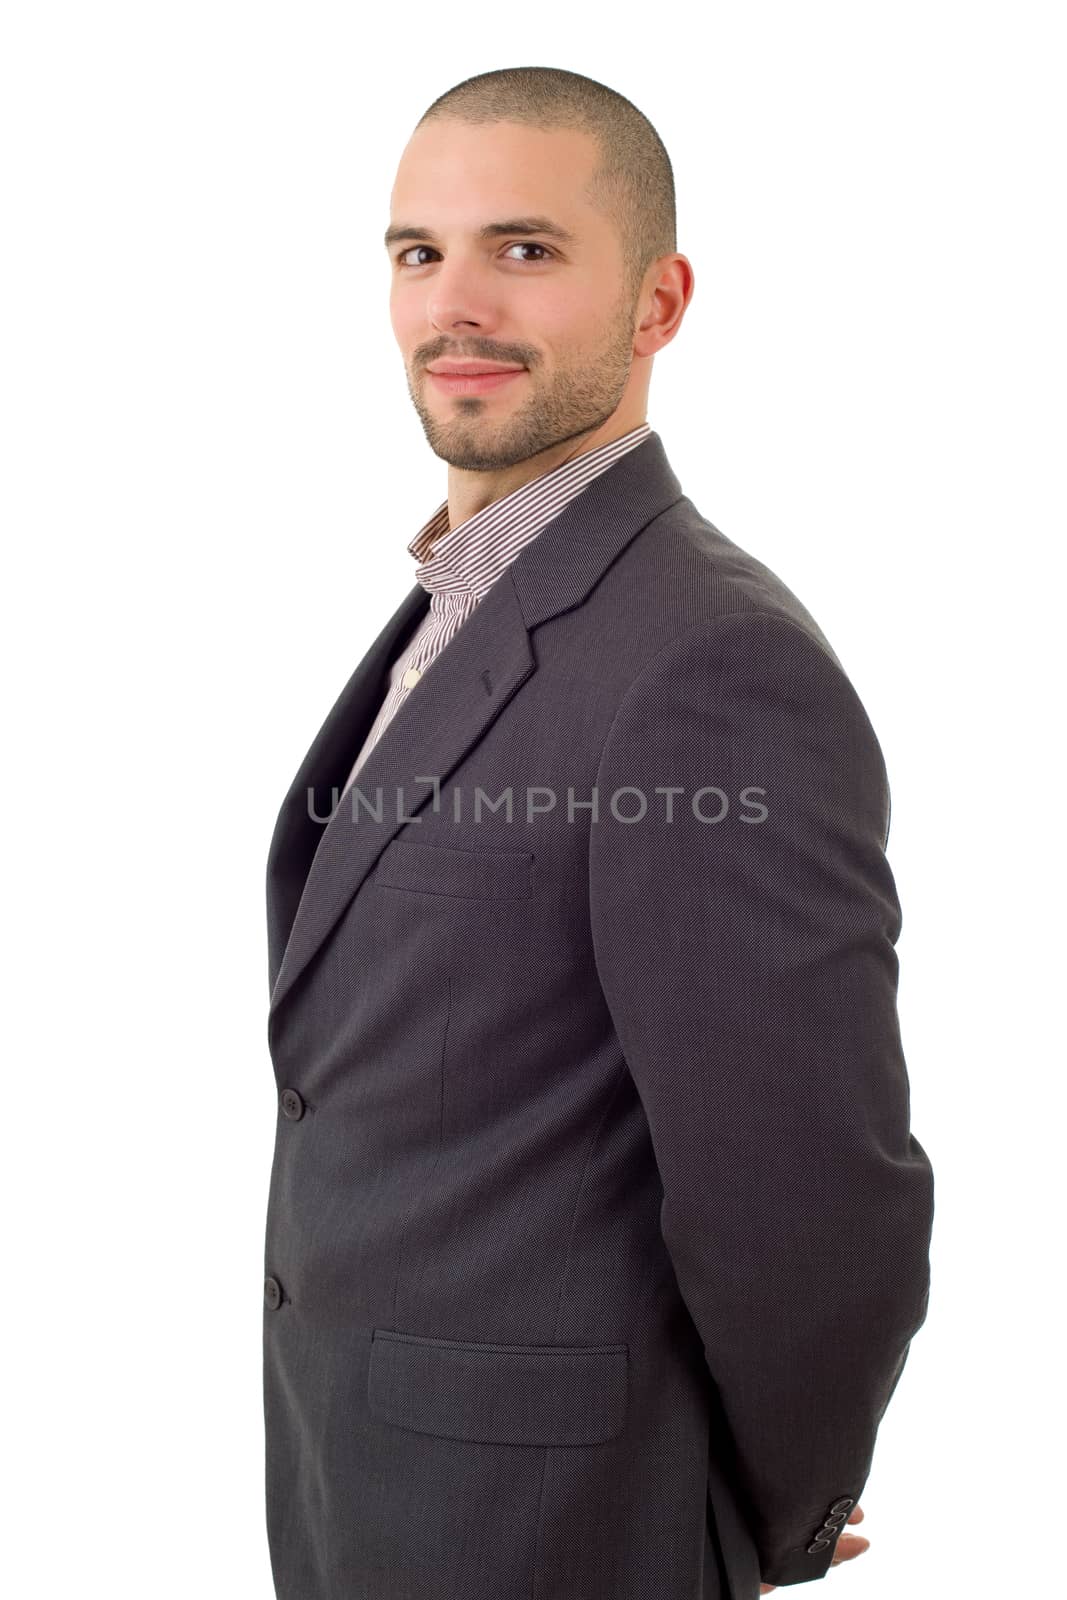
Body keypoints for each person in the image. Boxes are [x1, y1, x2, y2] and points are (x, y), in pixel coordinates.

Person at [262, 65, 935, 1600]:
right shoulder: (464, 603)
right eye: (418, 253)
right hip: (364, 1491)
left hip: (557, 1533)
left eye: (527, 249)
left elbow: (813, 1177)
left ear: (660, 300)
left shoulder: (708, 660)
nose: (457, 305)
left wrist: (766, 1514)